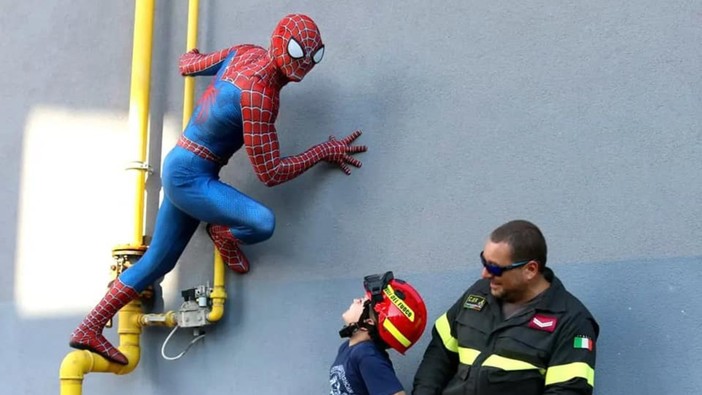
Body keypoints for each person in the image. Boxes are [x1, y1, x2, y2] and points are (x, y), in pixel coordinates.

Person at [69, 13, 367, 365]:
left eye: (313, 56)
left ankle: (88, 327)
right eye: (299, 52)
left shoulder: (244, 53)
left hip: (180, 163)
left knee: (157, 261)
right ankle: (223, 234)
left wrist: (192, 53)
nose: (304, 63)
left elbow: (188, 64)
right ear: (282, 45)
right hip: (193, 177)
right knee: (262, 222)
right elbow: (270, 173)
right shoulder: (260, 98)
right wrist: (324, 150)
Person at [412, 220, 599, 395]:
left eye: (494, 268)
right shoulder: (478, 294)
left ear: (530, 270)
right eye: (484, 262)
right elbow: (439, 353)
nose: (484, 273)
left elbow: (567, 391)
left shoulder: (572, 322)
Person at [331, 272, 428, 395]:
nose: (355, 300)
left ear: (368, 321)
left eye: (361, 302)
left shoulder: (367, 355)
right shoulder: (347, 348)